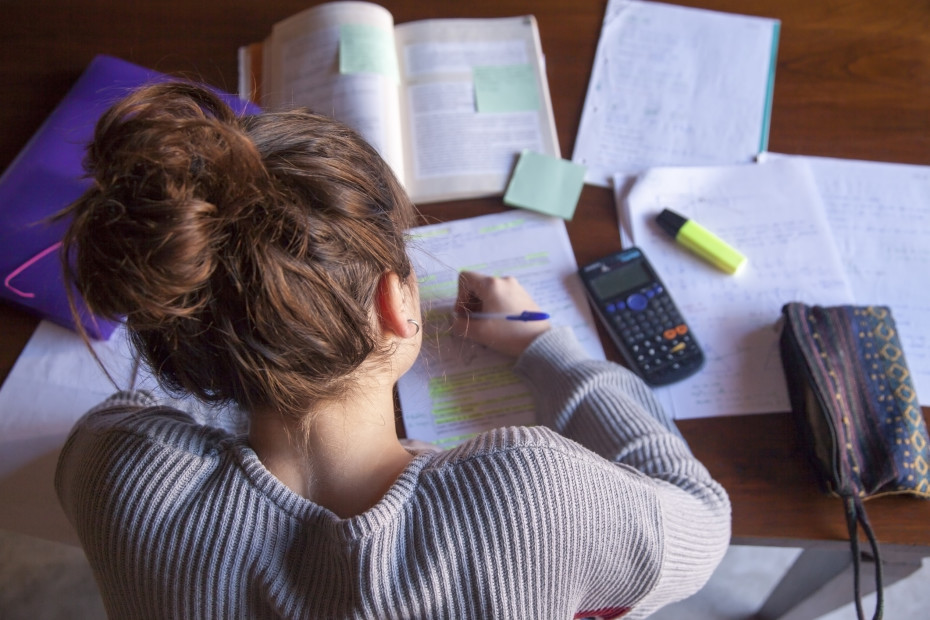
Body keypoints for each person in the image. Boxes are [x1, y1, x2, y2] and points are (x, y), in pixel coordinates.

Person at [55, 81, 730, 620]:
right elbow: (702, 524)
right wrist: (543, 344)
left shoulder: (119, 474)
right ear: (396, 305)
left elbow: (134, 420)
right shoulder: (532, 498)